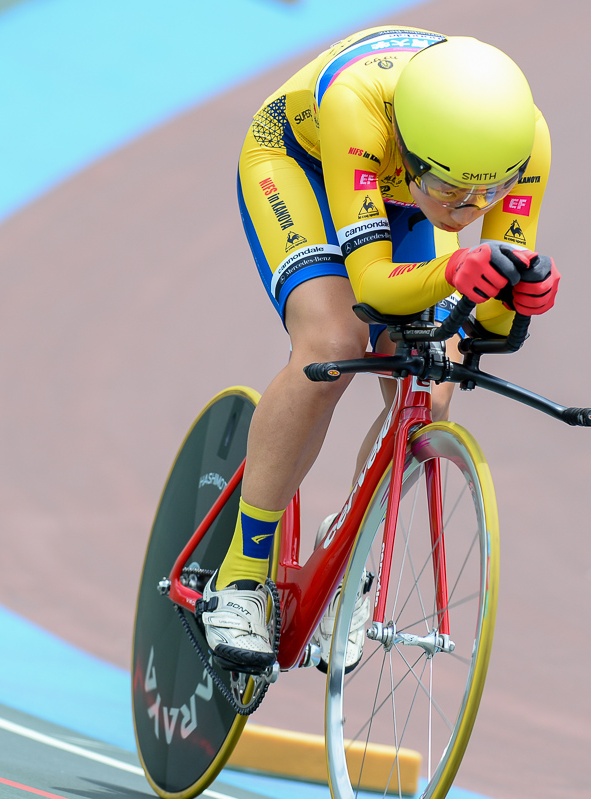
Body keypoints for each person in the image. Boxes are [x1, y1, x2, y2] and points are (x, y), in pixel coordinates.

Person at [200, 26, 559, 673]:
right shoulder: (356, 106)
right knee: (333, 341)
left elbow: (493, 304)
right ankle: (243, 572)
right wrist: (456, 272)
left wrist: (522, 294)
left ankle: (347, 547)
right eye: (454, 193)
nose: (468, 212)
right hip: (302, 164)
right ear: (414, 150)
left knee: (435, 382)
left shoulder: (524, 141)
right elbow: (370, 288)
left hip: (402, 195)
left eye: (487, 195)